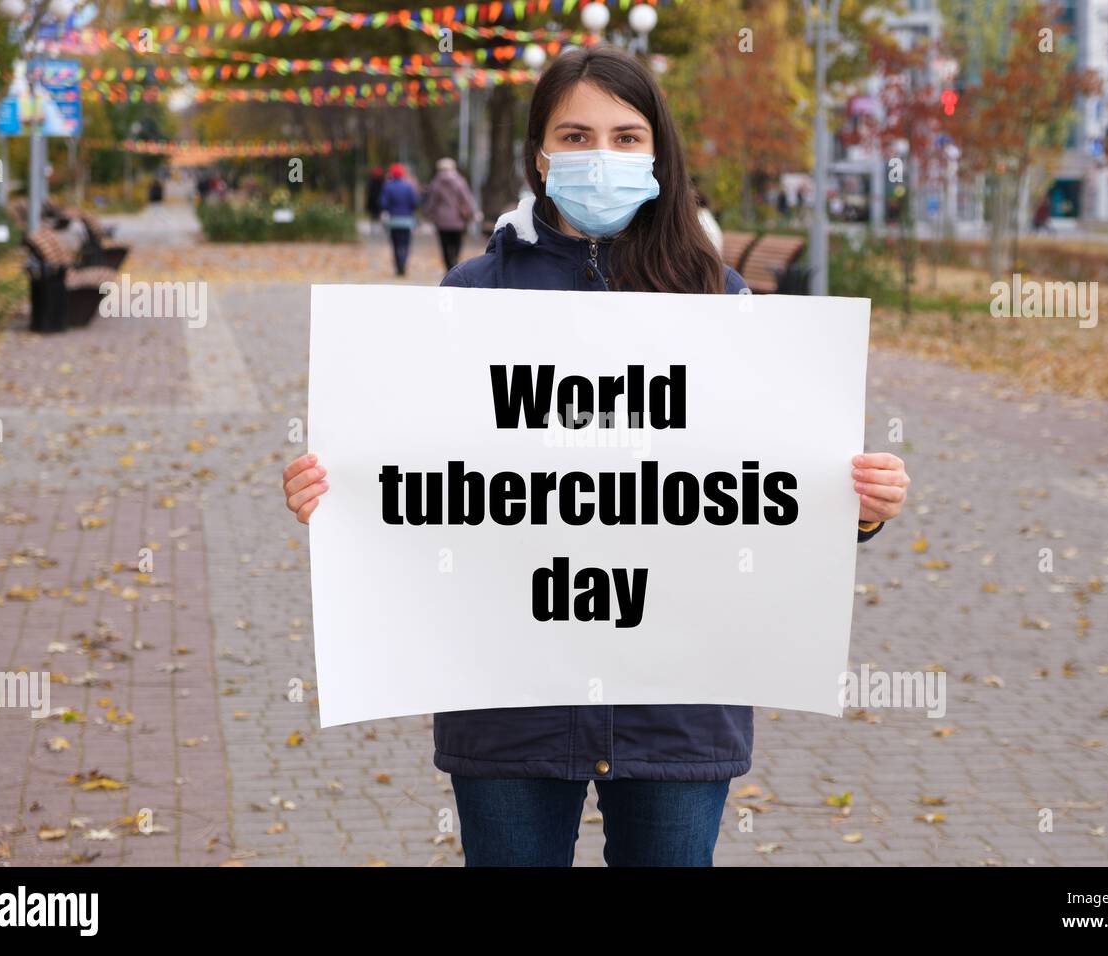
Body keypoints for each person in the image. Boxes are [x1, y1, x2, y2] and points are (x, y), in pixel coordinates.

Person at [281, 47, 910, 867]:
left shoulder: (720, 303)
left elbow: (766, 492)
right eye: (575, 136)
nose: (599, 156)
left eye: (624, 135)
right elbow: (418, 483)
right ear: (540, 156)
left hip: (678, 704)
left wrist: (855, 509)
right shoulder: (471, 300)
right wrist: (335, 495)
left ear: (657, 153)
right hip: (508, 703)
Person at [424, 157, 481, 271]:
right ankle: (454, 261)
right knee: (457, 242)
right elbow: (467, 199)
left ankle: (448, 266)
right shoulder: (460, 182)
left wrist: (428, 212)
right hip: (457, 219)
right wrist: (474, 212)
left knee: (444, 244)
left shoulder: (436, 183)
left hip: (441, 219)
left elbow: (432, 202)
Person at [380, 163, 420, 276]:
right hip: (407, 220)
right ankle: (403, 263)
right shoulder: (408, 186)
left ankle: (398, 266)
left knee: (395, 244)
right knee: (405, 243)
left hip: (393, 220)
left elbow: (383, 203)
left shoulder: (388, 186)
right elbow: (415, 202)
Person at [365, 167, 386, 237]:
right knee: (375, 217)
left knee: (376, 217)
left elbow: (369, 194)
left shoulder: (373, 182)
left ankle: (376, 229)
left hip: (376, 203)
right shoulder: (382, 182)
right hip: (376, 203)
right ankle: (376, 229)